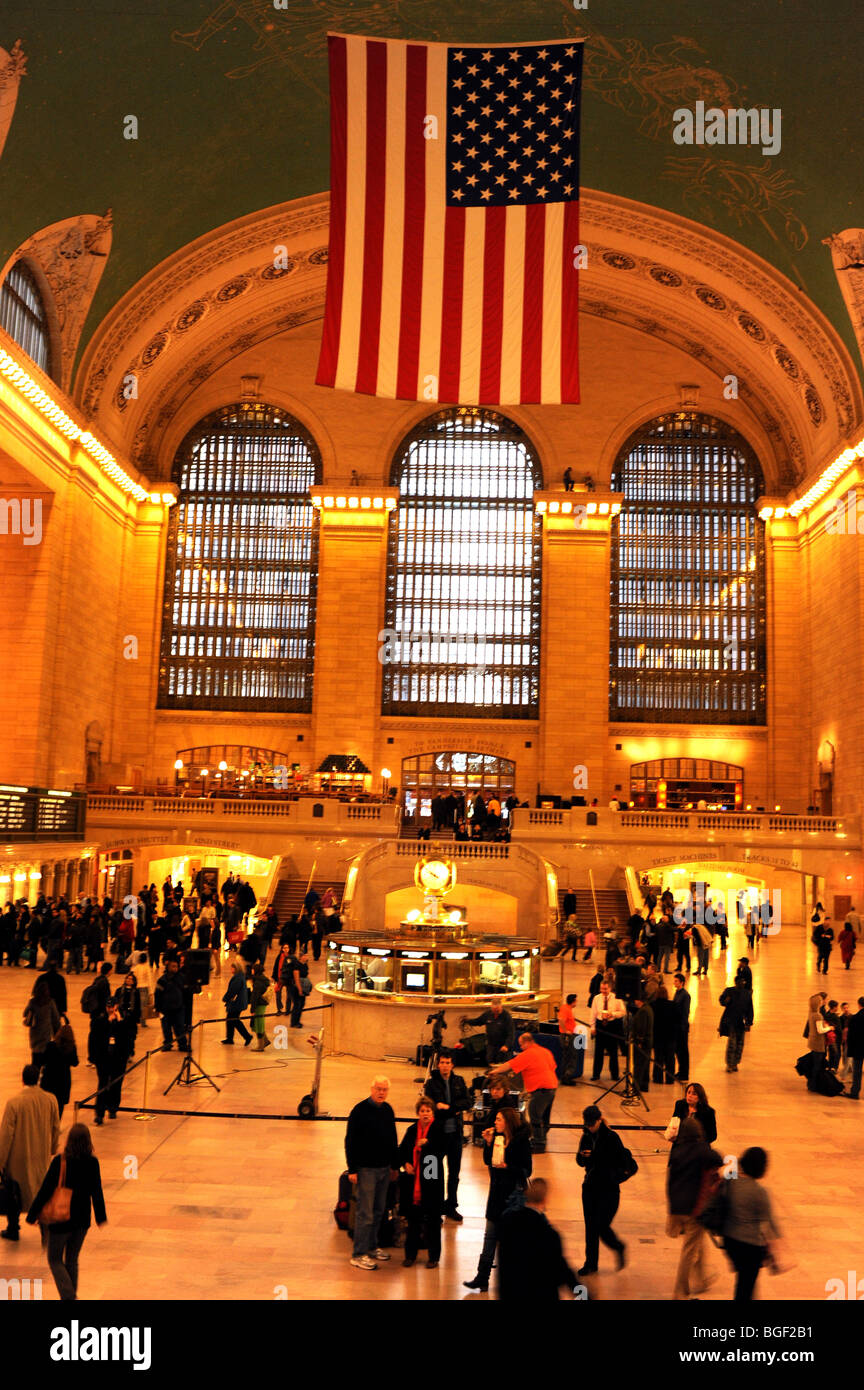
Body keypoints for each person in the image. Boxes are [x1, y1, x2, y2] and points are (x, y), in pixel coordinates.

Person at [26, 1122, 107, 1300]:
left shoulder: (60, 1161)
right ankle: (70, 1296)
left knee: (54, 1259)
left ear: (69, 1140)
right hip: (82, 1220)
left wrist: (32, 1214)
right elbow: (97, 1191)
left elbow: (46, 1189)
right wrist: (101, 1217)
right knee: (72, 1259)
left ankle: (69, 1297)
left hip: (61, 1219)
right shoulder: (92, 1162)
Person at [463, 1107, 532, 1294]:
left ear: (508, 1122)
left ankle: (513, 1280)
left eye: (499, 1119)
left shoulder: (521, 1142)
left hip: (512, 1199)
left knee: (510, 1242)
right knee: (489, 1237)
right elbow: (488, 1161)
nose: (495, 1122)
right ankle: (482, 1277)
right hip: (495, 1195)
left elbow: (527, 1170)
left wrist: (508, 1166)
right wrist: (487, 1143)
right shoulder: (498, 1139)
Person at [0, 1064, 60, 1241]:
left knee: (14, 1193)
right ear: (38, 1079)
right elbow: (55, 1128)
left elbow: (6, 1135)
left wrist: (1, 1161)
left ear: (23, 1079)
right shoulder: (50, 1100)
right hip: (40, 1155)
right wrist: (52, 1148)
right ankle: (45, 1227)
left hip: (18, 1157)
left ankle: (13, 1228)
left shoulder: (14, 1102)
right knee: (41, 1190)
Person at [666, 1117, 724, 1300]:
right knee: (688, 1251)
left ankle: (702, 1279)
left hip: (677, 1207)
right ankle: (680, 1292)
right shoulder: (703, 1151)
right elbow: (720, 1160)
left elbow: (670, 1180)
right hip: (695, 1209)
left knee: (698, 1241)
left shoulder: (677, 1152)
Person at [345, 1076, 399, 1271]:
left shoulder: (387, 1110)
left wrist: (394, 1165)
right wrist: (352, 1169)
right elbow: (350, 1141)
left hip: (384, 1169)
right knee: (365, 1214)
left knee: (378, 1211)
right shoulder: (359, 1111)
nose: (381, 1092)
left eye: (385, 1089)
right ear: (371, 1088)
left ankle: (372, 1246)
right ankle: (358, 1254)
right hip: (366, 1170)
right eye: (378, 1088)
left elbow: (393, 1139)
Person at [497, 1177, 579, 1301]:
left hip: (511, 1293)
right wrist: (584, 1295)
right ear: (545, 1200)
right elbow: (563, 1273)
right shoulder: (548, 1234)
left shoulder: (507, 1222)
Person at [723, 1147, 781, 1301]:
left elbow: (729, 1166)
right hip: (750, 1247)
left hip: (730, 1241)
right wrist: (777, 1246)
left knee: (744, 1283)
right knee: (745, 1287)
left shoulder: (732, 1181)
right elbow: (768, 1223)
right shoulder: (759, 1192)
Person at [576, 1105, 628, 1276]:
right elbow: (579, 1161)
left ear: (600, 1120)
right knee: (590, 1227)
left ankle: (618, 1246)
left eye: (592, 1124)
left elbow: (626, 1163)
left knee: (601, 1225)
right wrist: (582, 1157)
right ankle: (590, 1263)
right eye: (587, 1124)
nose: (589, 1127)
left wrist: (615, 1177)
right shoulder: (585, 1136)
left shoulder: (612, 1138)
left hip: (608, 1190)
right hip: (590, 1188)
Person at [397, 1095, 445, 1268]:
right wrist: (406, 1163)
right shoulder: (411, 1130)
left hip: (431, 1177)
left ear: (432, 1113)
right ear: (418, 1113)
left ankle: (433, 1257)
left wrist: (428, 1144)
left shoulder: (438, 1129)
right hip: (412, 1180)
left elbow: (440, 1152)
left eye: (428, 1111)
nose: (425, 1113)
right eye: (422, 1111)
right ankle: (410, 1255)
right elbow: (402, 1150)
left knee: (432, 1218)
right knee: (413, 1219)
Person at [489, 1031, 558, 1152]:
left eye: (521, 1045)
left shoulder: (528, 1054)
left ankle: (539, 1143)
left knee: (535, 1115)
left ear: (527, 1042)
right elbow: (553, 1067)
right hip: (552, 1087)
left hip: (540, 1089)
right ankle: (542, 1138)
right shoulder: (545, 1051)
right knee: (544, 1116)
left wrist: (495, 1071)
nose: (520, 1047)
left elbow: (510, 1064)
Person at [423, 1049, 469, 1221]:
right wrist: (448, 1109)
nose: (445, 1065)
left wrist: (448, 1108)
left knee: (454, 1173)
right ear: (438, 1064)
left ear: (452, 1065)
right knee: (433, 1172)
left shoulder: (459, 1081)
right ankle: (433, 1207)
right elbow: (429, 1106)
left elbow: (467, 1102)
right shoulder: (431, 1083)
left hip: (455, 1135)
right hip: (437, 1135)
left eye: (448, 1062)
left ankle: (451, 1206)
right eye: (442, 1062)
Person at [90, 1000, 132, 1124]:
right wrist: (107, 1021)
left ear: (116, 1006)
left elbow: (128, 1036)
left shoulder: (124, 1018)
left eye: (112, 1006)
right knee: (103, 1084)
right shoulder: (100, 1018)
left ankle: (113, 1108)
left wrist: (120, 1022)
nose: (110, 1009)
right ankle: (100, 1113)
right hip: (104, 1058)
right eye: (108, 1006)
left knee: (116, 1084)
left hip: (118, 1058)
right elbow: (95, 1035)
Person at [40, 1015, 79, 1120]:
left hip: (49, 1081)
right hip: (63, 1082)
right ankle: (56, 1126)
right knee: (60, 1107)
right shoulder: (71, 1048)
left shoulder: (51, 1046)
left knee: (48, 1106)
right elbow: (75, 1063)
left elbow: (43, 1060)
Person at [590, 979, 626, 1081]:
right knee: (598, 1052)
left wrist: (612, 1014)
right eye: (601, 988)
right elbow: (593, 1013)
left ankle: (614, 1075)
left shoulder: (616, 998)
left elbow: (623, 1012)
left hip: (612, 1026)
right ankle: (596, 1074)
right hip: (600, 1025)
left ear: (610, 988)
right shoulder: (596, 998)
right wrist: (592, 1027)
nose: (603, 991)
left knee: (613, 1052)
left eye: (605, 989)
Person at [463, 998, 515, 1066]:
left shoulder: (506, 1016)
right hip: (491, 1044)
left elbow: (511, 1033)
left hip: (503, 1046)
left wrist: (506, 1045)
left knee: (503, 1065)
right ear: (491, 1008)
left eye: (498, 1010)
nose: (496, 1011)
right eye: (494, 1010)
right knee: (490, 1062)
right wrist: (467, 1021)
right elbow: (478, 1021)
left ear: (501, 1007)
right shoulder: (487, 1014)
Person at [23, 975, 61, 1069]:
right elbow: (56, 1019)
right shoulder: (50, 1002)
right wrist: (58, 1032)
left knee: (35, 1057)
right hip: (46, 1034)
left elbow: (25, 1013)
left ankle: (35, 1073)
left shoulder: (32, 1002)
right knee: (45, 1058)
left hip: (34, 1033)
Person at [719, 980, 754, 1072]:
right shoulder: (729, 991)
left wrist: (749, 1022)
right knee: (732, 1044)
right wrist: (726, 1000)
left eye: (742, 982)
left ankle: (735, 1063)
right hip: (731, 1022)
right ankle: (730, 1064)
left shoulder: (746, 994)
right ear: (735, 982)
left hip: (740, 1023)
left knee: (740, 1044)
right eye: (739, 982)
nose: (741, 984)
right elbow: (721, 1001)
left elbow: (750, 1008)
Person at [154, 959, 189, 1051]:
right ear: (168, 967)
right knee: (166, 1028)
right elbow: (157, 994)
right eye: (173, 966)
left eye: (176, 966)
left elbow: (186, 991)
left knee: (180, 1027)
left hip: (179, 1008)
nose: (175, 968)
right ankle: (168, 1044)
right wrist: (157, 1008)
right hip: (165, 1009)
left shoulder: (182, 978)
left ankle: (183, 1045)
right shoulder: (162, 980)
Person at [221, 960, 253, 1045]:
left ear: (236, 968)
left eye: (232, 967)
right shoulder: (240, 976)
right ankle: (229, 1038)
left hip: (237, 1003)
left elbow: (233, 991)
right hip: (238, 1002)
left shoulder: (238, 978)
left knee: (234, 1020)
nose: (230, 969)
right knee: (230, 1020)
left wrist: (225, 998)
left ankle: (247, 1036)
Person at [651, 985, 677, 1085]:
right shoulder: (673, 1005)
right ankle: (670, 1079)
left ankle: (658, 1078)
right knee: (670, 1058)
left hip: (658, 1036)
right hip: (670, 1036)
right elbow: (677, 1020)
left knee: (659, 1058)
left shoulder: (653, 1005)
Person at [844, 997, 864, 1099]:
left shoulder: (855, 1018)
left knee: (857, 1071)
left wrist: (849, 1048)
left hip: (858, 1049)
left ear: (859, 1005)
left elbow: (851, 1036)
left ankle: (855, 1092)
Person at [250, 962, 272, 1050]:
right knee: (259, 1023)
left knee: (259, 1024)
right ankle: (265, 1040)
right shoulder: (263, 979)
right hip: (263, 1003)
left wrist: (252, 1009)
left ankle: (260, 1045)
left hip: (259, 1004)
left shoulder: (258, 982)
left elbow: (255, 997)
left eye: (252, 969)